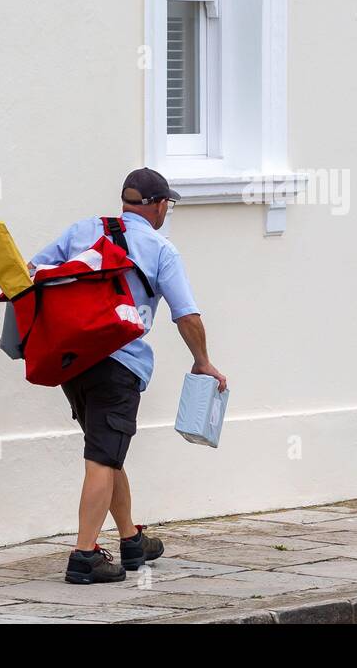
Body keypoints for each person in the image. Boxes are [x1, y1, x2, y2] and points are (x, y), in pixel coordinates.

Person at [30, 168, 227, 585]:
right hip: (119, 365)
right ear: (157, 205)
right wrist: (203, 361)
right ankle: (84, 556)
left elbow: (30, 271)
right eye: (167, 205)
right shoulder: (160, 248)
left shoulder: (83, 229)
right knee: (102, 457)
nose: (166, 212)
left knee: (108, 448)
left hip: (74, 362)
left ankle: (131, 539)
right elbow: (186, 315)